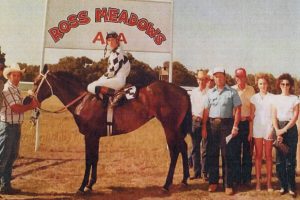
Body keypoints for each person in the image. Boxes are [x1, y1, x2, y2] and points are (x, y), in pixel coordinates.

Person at [0, 64, 39, 194]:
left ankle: (5, 186)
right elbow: (15, 108)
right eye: (14, 75)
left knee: (11, 156)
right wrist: (31, 106)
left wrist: (29, 99)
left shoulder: (16, 89)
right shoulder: (7, 89)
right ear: (9, 76)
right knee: (3, 157)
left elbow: (21, 104)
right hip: (7, 127)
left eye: (18, 75)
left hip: (15, 125)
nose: (16, 78)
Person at [202, 67, 241, 195]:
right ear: (213, 78)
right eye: (216, 76)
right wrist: (204, 128)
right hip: (212, 126)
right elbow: (206, 111)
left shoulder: (232, 92)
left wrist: (235, 126)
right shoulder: (210, 93)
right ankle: (213, 182)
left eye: (221, 76)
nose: (218, 78)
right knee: (212, 154)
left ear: (225, 77)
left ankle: (228, 184)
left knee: (227, 155)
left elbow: (238, 110)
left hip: (227, 126)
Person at [272, 73, 299, 198]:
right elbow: (273, 116)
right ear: (279, 85)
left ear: (291, 85)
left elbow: (295, 116)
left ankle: (291, 187)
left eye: (287, 84)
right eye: (282, 84)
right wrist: (277, 130)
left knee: (290, 161)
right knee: (279, 161)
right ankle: (282, 185)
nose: (285, 86)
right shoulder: (275, 98)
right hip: (278, 128)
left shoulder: (294, 99)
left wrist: (284, 130)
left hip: (290, 129)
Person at [87, 31, 131, 106]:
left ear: (117, 41)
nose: (110, 42)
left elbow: (112, 72)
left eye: (112, 40)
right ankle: (107, 97)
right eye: (108, 40)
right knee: (95, 85)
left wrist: (100, 79)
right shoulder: (114, 53)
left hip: (117, 80)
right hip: (116, 79)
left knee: (91, 87)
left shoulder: (118, 53)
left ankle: (116, 94)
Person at [250, 73, 274, 192]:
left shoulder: (273, 97)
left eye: (264, 83)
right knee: (258, 156)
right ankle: (258, 183)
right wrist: (250, 132)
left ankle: (269, 183)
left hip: (269, 129)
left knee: (269, 156)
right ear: (257, 85)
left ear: (267, 84)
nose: (262, 85)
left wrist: (272, 129)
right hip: (257, 129)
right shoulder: (254, 98)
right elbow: (251, 116)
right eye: (260, 83)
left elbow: (275, 116)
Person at [232, 68, 255, 187]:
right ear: (235, 77)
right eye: (237, 76)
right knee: (235, 152)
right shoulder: (232, 90)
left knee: (247, 152)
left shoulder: (251, 89)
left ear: (245, 77)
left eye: (242, 76)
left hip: (247, 123)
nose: (239, 78)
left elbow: (252, 108)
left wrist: (251, 130)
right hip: (236, 124)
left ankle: (246, 178)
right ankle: (236, 177)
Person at [188, 70, 208, 180]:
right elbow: (190, 106)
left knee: (205, 149)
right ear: (197, 80)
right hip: (195, 122)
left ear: (206, 80)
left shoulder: (210, 92)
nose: (201, 81)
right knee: (195, 148)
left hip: (206, 123)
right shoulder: (193, 92)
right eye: (200, 79)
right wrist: (192, 117)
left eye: (203, 79)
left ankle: (205, 173)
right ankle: (197, 173)